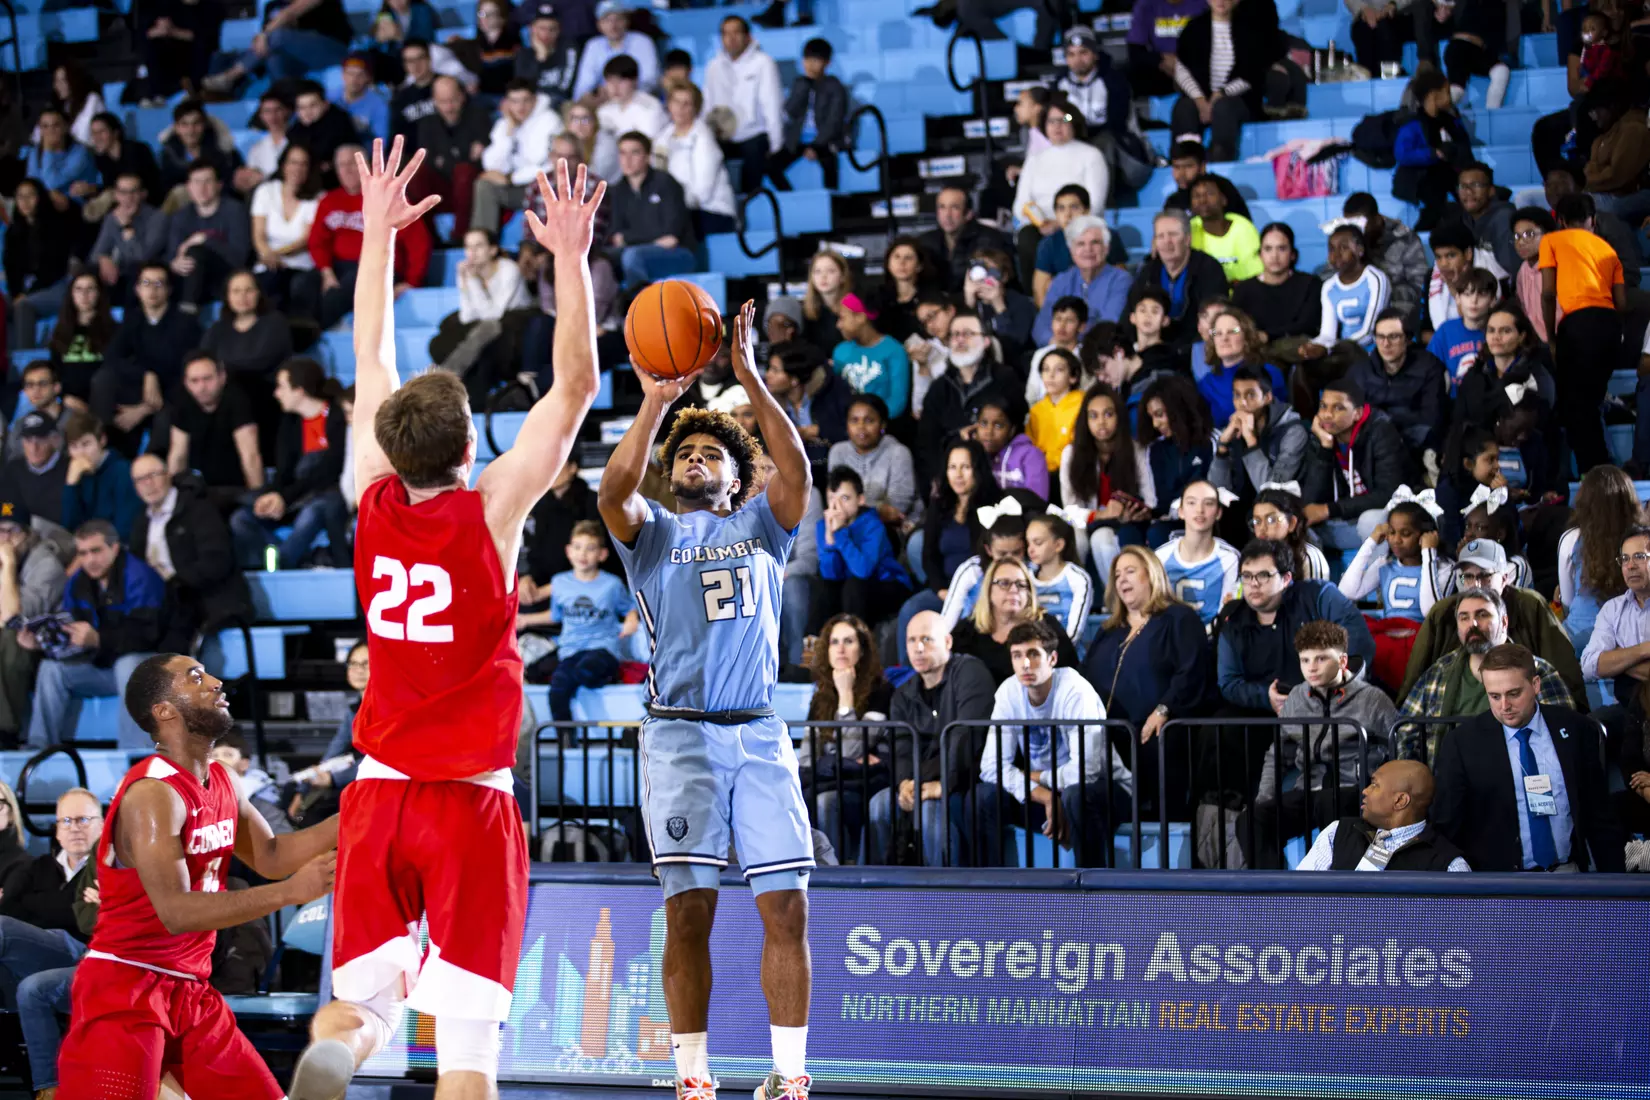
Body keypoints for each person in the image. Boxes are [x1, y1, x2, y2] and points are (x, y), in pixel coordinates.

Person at [283, 144, 601, 1100]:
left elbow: (370, 351)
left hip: (378, 797)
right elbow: (576, 389)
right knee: (468, 1054)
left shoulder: (369, 492)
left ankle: (335, 1054)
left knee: (365, 1010)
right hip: (468, 800)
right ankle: (379, 1056)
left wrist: (375, 235)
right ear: (472, 445)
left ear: (387, 443)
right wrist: (569, 256)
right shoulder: (492, 509)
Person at [595, 281, 814, 1097]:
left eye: (710, 453)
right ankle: (693, 1078)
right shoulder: (652, 537)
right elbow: (612, 493)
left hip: (758, 731)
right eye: (684, 452)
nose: (694, 458)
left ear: (734, 476)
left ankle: (789, 1079)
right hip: (680, 735)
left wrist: (748, 375)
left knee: (786, 909)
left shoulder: (763, 524)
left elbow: (794, 466)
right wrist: (658, 405)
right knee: (689, 911)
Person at [54, 653, 337, 1097]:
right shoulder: (152, 793)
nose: (216, 681)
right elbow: (177, 911)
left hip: (189, 989)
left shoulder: (223, 779)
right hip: (123, 988)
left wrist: (361, 809)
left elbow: (272, 854)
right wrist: (291, 893)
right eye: (195, 677)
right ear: (164, 711)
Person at [1431, 643, 1625, 871]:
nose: (1504, 706)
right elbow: (1446, 824)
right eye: (1494, 696)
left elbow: (1599, 812)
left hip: (1568, 873)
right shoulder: (1462, 743)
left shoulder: (1576, 729)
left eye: (1514, 694)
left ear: (1535, 685)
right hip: (1497, 882)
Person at [973, 618, 1133, 867]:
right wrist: (1044, 796)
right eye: (1017, 656)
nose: (1025, 664)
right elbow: (991, 768)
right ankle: (993, 891)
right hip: (1049, 797)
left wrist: (1038, 777)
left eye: (1034, 654)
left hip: (1105, 792)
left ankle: (1091, 891)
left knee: (1075, 796)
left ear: (1053, 659)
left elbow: (1086, 773)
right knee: (984, 795)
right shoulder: (1008, 692)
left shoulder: (1076, 691)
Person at [1239, 619, 1396, 868]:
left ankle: (1339, 895)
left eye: (1321, 659)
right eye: (1305, 660)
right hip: (1307, 791)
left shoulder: (1373, 699)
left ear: (1342, 661)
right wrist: (1264, 799)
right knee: (1252, 819)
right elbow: (1278, 754)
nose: (1311, 668)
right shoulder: (1297, 698)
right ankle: (1274, 893)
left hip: (1355, 792)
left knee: (1330, 802)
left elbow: (1398, 751)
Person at [25, 519, 163, 750]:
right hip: (102, 667)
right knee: (51, 670)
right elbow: (72, 632)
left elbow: (149, 634)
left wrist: (99, 639)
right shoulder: (77, 583)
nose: (90, 560)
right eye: (83, 553)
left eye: (96, 551)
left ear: (115, 548)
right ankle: (38, 750)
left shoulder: (140, 576)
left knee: (127, 665)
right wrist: (43, 643)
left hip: (148, 669)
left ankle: (133, 753)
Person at [871, 610, 995, 866]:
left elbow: (965, 738)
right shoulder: (903, 694)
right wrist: (905, 783)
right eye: (911, 640)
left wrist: (942, 784)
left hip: (966, 778)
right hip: (923, 780)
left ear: (947, 642)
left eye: (927, 639)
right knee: (880, 804)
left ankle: (945, 894)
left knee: (930, 811)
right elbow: (901, 747)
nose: (918, 648)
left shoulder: (970, 672)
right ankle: (885, 891)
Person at [1399, 586, 1577, 755]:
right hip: (1449, 778)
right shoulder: (1439, 672)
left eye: (1482, 615)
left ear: (1504, 622)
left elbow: (1564, 735)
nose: (1473, 624)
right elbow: (1403, 731)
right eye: (1464, 618)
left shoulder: (1538, 671)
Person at [130, 455, 252, 655]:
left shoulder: (199, 509)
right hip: (160, 603)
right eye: (140, 480)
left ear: (168, 475)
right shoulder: (141, 523)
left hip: (203, 599)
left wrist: (175, 582)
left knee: (168, 641)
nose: (147, 484)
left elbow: (217, 561)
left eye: (153, 475)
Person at [305, 143, 433, 331]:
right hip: (340, 267)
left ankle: (315, 333)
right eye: (341, 165)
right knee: (303, 283)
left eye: (353, 164)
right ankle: (302, 330)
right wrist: (326, 272)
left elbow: (419, 243)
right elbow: (317, 242)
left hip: (380, 265)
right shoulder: (329, 201)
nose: (347, 170)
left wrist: (413, 281)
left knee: (350, 283)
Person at [1540, 193, 1626, 473]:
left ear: (1561, 220)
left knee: (1576, 407)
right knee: (1588, 403)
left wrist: (1552, 337)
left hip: (1578, 325)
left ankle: (1597, 473)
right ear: (1593, 220)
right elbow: (1621, 302)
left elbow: (1549, 292)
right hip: (1609, 326)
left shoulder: (1551, 241)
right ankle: (1600, 470)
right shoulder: (1607, 249)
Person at [797, 614, 892, 858]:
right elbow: (807, 760)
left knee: (827, 802)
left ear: (862, 650)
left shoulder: (881, 692)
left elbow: (852, 750)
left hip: (864, 786)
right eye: (834, 642)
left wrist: (846, 695)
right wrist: (838, 764)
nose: (840, 648)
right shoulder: (820, 698)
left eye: (848, 641)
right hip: (829, 782)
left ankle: (836, 880)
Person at [540, 520, 638, 725]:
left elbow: (629, 607)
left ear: (602, 555)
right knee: (557, 688)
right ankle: (566, 741)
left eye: (590, 548)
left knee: (587, 670)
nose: (582, 554)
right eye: (577, 547)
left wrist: (631, 620)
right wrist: (521, 621)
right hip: (570, 650)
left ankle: (611, 674)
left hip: (602, 648)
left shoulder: (612, 584)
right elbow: (556, 616)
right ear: (568, 551)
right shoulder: (559, 582)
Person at [96, 263, 200, 456]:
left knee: (169, 416)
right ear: (137, 289)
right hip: (141, 391)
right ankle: (107, 455)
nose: (152, 290)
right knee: (103, 380)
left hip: (170, 397)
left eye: (159, 284)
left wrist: (144, 409)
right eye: (146, 283)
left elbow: (187, 373)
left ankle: (152, 473)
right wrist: (146, 374)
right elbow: (111, 358)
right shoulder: (132, 320)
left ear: (169, 290)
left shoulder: (186, 324)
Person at [1295, 759, 1471, 870]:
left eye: (1375, 785)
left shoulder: (1449, 865)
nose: (1365, 791)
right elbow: (1300, 897)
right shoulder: (1337, 832)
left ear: (1400, 800)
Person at [1168, 0, 1287, 162]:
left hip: (1238, 100)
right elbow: (1181, 69)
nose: (1221, 1)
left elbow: (1252, 74)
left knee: (1224, 107)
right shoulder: (1193, 28)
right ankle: (1185, 159)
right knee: (1184, 107)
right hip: (1199, 96)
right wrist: (1200, 99)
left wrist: (1220, 94)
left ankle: (1220, 157)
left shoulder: (1249, 29)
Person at [1300, 377, 1409, 550]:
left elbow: (1389, 493)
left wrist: (1330, 509)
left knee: (1370, 521)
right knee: (1296, 526)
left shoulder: (1381, 431)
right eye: (1323, 406)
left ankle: (1378, 575)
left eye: (1338, 408)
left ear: (1357, 413)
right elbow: (1312, 499)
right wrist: (1325, 448)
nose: (1327, 414)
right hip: (1348, 517)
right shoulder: (1322, 434)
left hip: (1387, 516)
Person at [429, 227, 534, 404]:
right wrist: (466, 281)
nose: (472, 253)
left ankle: (446, 373)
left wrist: (473, 282)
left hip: (516, 323)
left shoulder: (509, 270)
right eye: (468, 247)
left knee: (487, 328)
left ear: (492, 250)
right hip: (489, 326)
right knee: (448, 328)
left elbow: (495, 314)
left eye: (478, 246)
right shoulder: (467, 271)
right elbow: (467, 316)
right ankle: (450, 385)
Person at [1013, 103, 1109, 282]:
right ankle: (1037, 297)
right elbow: (1020, 205)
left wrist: (1060, 222)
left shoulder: (1091, 155)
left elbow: (1095, 204)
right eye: (1051, 121)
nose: (1057, 126)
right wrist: (1041, 223)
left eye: (1065, 119)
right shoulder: (1035, 160)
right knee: (1026, 236)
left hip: (1079, 222)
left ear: (1074, 123)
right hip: (1041, 226)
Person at [1558, 465, 1642, 662]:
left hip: (1580, 638)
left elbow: (1567, 601)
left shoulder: (1571, 538)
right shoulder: (1644, 539)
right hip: (1634, 637)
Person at [812, 466, 910, 630]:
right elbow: (831, 574)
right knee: (822, 587)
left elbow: (863, 570)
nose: (837, 506)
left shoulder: (873, 525)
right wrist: (830, 539)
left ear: (860, 499)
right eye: (831, 498)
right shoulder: (824, 525)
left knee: (854, 586)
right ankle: (815, 645)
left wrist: (840, 534)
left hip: (887, 582)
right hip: (851, 585)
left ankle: (857, 642)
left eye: (845, 498)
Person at [166, 352, 264, 515]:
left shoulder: (237, 400)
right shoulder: (182, 402)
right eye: (194, 381)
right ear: (186, 382)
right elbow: (177, 455)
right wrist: (169, 500)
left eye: (207, 379)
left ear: (222, 377)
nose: (201, 387)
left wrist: (258, 499)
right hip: (202, 487)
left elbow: (250, 456)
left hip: (237, 487)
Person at [0, 498, 65, 744]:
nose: (5, 538)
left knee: (9, 638)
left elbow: (13, 618)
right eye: (0, 531)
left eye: (12, 531)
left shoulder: (47, 566)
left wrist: (8, 566)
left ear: (27, 535)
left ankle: (5, 732)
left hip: (43, 646)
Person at [703, 16, 784, 195]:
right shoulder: (713, 67)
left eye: (736, 33)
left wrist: (776, 142)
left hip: (754, 133)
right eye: (726, 34)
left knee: (755, 160)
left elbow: (771, 102)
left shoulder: (763, 62)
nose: (731, 38)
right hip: (724, 135)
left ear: (747, 36)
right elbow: (708, 104)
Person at [1346, 309, 1446, 452]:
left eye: (1393, 337)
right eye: (1380, 337)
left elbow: (1432, 419)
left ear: (1407, 339)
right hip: (1372, 447)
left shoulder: (1428, 367)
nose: (1386, 344)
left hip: (1414, 446)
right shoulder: (1360, 372)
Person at [1127, 210, 1229, 350]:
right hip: (1155, 349)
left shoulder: (1209, 269)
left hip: (1197, 348)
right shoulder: (1148, 271)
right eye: (1160, 236)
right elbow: (1129, 315)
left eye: (1173, 234)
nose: (1167, 241)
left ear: (1188, 239)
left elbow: (1216, 320)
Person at [1209, 364, 1307, 509]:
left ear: (1267, 397)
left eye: (1251, 395)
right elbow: (1218, 492)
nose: (1242, 403)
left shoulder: (1293, 432)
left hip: (1281, 515)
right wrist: (1222, 446)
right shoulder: (1233, 430)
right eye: (1237, 395)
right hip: (1242, 514)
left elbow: (1272, 493)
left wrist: (1251, 443)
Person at [608, 131, 697, 290]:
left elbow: (671, 239)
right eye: (623, 153)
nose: (627, 159)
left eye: (634, 152)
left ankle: (640, 309)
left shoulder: (666, 183)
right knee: (599, 259)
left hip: (679, 254)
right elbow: (616, 237)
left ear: (647, 157)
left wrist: (629, 238)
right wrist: (652, 238)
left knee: (633, 256)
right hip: (636, 251)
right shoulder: (617, 190)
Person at [473, 80, 559, 236]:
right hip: (514, 186)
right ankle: (485, 243)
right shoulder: (504, 123)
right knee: (484, 185)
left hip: (541, 187)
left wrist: (511, 178)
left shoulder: (550, 121)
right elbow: (490, 164)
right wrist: (509, 131)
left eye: (526, 100)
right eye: (515, 101)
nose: (520, 107)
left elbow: (547, 165)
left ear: (535, 99)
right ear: (507, 102)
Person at [202, 0, 351, 89]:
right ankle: (286, 103)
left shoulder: (292, 9)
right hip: (300, 59)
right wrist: (263, 37)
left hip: (334, 50)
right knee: (274, 57)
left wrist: (265, 34)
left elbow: (289, 14)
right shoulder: (275, 5)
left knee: (278, 36)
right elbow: (262, 42)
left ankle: (232, 76)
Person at [1579, 526, 1650, 707]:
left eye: (1639, 557)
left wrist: (1618, 658)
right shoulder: (1613, 608)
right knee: (1592, 726)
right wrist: (1643, 650)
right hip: (1628, 707)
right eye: (1625, 559)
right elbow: (1588, 665)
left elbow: (1602, 663)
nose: (1630, 565)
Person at [1030, 216, 1129, 346]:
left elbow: (1109, 325)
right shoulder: (1061, 280)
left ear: (1106, 249)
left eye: (1095, 243)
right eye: (1080, 244)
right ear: (1071, 251)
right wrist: (1055, 343)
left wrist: (1071, 342)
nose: (1088, 249)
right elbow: (1041, 326)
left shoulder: (1121, 280)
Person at [656, 84, 738, 235]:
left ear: (696, 108)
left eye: (686, 103)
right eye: (676, 102)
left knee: (668, 225)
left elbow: (702, 193)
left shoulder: (704, 139)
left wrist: (669, 206)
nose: (680, 108)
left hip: (712, 211)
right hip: (677, 208)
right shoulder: (662, 138)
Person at [1229, 223, 1322, 354]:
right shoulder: (1244, 290)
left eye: (1282, 249)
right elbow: (1235, 326)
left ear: (1292, 254)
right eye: (1268, 249)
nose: (1274, 256)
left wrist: (1267, 335)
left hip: (1297, 351)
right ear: (1260, 254)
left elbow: (1308, 325)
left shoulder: (1310, 284)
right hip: (1255, 353)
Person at [251, 144, 323, 313]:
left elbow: (305, 240)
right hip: (268, 262)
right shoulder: (266, 191)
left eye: (303, 164)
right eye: (293, 162)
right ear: (284, 165)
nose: (297, 168)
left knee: (294, 287)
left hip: (301, 263)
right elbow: (258, 234)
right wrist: (267, 254)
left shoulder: (318, 198)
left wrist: (277, 254)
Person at [1156, 481, 1239, 624]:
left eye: (1208, 503)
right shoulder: (1160, 556)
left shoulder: (1230, 558)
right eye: (1191, 503)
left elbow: (1226, 611)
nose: (1200, 510)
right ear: (1180, 511)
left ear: (1218, 513)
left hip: (1213, 638)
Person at [5, 178, 74, 348]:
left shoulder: (55, 226)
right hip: (25, 290)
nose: (25, 202)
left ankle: (25, 361)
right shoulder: (13, 232)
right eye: (21, 197)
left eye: (31, 196)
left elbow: (53, 269)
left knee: (23, 306)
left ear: (40, 198)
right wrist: (16, 294)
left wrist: (25, 294)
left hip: (56, 285)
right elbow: (11, 269)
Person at [1343, 194, 1430, 324]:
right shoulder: (1346, 239)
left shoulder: (1405, 239)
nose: (1356, 230)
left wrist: (1381, 290)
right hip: (1356, 313)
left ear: (1377, 220)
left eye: (1361, 224)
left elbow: (1419, 286)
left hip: (1398, 313)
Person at [1305, 225, 1390, 355]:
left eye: (1344, 248)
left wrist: (1330, 349)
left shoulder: (1375, 279)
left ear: (1360, 250)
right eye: (1331, 249)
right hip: (1344, 354)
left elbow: (1370, 331)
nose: (1336, 255)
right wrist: (1314, 346)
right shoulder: (1329, 287)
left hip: (1376, 352)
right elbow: (1328, 334)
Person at [774, 37, 846, 191]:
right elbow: (790, 112)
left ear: (827, 63)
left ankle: (833, 202)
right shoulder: (799, 83)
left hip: (824, 141)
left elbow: (833, 122)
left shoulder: (834, 86)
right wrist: (802, 88)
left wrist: (816, 145)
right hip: (798, 141)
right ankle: (790, 197)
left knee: (829, 163)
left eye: (816, 60)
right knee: (771, 165)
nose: (810, 65)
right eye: (807, 59)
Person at [88, 172, 168, 308]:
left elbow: (142, 258)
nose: (128, 198)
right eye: (123, 192)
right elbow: (96, 253)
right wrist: (103, 259)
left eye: (133, 192)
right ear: (116, 195)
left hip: (148, 274)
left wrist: (126, 227)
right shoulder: (112, 218)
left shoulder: (157, 218)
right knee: (89, 273)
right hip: (119, 273)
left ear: (143, 194)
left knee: (134, 270)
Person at [60, 411, 141, 539]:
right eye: (74, 446)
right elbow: (69, 527)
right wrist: (71, 485)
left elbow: (126, 527)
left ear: (102, 440)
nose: (81, 454)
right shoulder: (75, 474)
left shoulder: (123, 471)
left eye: (86, 444)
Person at [919, 186, 1011, 293]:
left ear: (968, 214)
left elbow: (994, 279)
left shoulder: (989, 239)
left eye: (955, 207)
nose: (947, 215)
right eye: (942, 207)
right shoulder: (926, 241)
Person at [46, 275, 116, 413]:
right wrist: (65, 397)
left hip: (105, 403)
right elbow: (55, 371)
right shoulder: (60, 333)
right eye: (78, 289)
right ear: (71, 294)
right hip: (70, 404)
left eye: (90, 289)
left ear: (99, 294)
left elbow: (115, 371)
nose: (84, 295)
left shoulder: (114, 331)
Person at [1425, 267, 1495, 393]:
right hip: (1454, 404)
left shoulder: (1497, 330)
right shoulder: (1446, 331)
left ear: (1492, 300)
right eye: (1467, 294)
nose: (1474, 301)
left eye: (1482, 294)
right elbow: (1429, 372)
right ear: (1457, 298)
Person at [572, 0, 659, 100]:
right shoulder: (593, 45)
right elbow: (584, 84)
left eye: (618, 19)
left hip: (636, 98)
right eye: (607, 20)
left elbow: (650, 81)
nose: (613, 25)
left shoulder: (642, 42)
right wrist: (584, 100)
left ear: (627, 21)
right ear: (599, 24)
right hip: (602, 99)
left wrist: (621, 93)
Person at [1, 412, 70, 535]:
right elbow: (8, 505)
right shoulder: (14, 468)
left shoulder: (70, 469)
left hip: (61, 538)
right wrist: (9, 522)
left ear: (55, 440)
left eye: (41, 439)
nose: (34, 448)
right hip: (22, 536)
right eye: (28, 440)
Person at [1189, 175, 1260, 283]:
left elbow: (1255, 276)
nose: (1202, 200)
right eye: (1196, 195)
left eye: (1209, 194)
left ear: (1223, 199)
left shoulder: (1243, 228)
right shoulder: (1188, 229)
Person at [513, 3, 577, 108]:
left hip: (559, 103)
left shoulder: (569, 49)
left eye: (552, 29)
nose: (546, 34)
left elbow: (565, 87)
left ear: (559, 31)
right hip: (530, 105)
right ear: (532, 29)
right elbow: (522, 87)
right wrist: (540, 58)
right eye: (541, 28)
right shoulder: (523, 54)